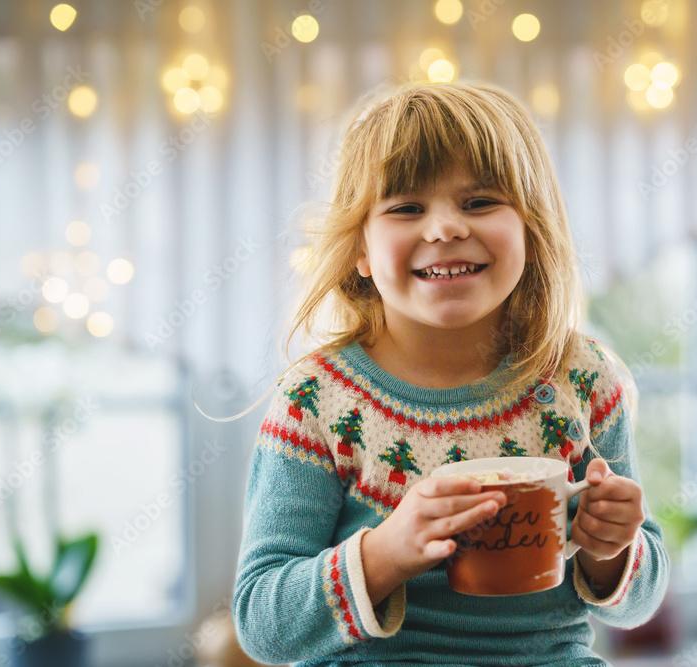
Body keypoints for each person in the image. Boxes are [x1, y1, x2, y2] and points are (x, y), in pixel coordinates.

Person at [230, 80, 670, 666]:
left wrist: (612, 548)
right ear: (360, 249)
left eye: (480, 202)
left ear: (531, 232)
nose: (444, 229)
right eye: (406, 208)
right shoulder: (316, 400)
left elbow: (638, 601)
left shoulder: (581, 379)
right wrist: (386, 552)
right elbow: (263, 623)